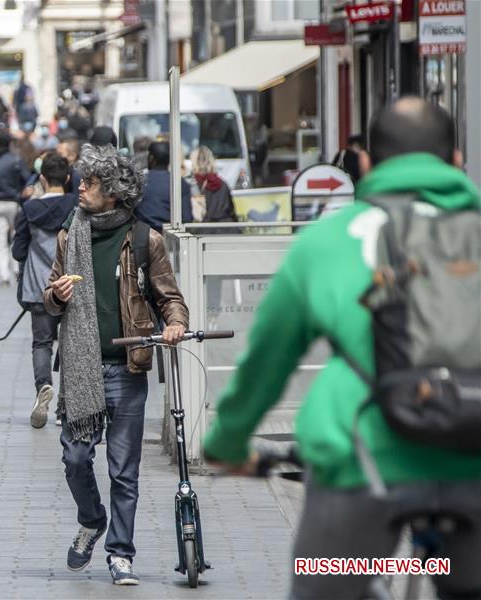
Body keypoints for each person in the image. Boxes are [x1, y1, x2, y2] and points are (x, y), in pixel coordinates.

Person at [203, 97, 481, 600]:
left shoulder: (330, 239)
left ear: (368, 164)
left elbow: (268, 358)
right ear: (458, 161)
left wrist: (228, 442)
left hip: (360, 462)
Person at [43, 144, 189, 586]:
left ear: (113, 192)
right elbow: (49, 296)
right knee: (75, 457)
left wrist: (175, 325)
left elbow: (169, 297)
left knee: (124, 471)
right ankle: (92, 519)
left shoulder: (146, 240)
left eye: (88, 182)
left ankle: (120, 553)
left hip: (126, 370)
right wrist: (57, 296)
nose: (79, 187)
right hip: (81, 369)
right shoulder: (71, 235)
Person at [12, 153, 77, 428]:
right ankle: (66, 407)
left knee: (41, 343)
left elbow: (18, 251)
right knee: (71, 344)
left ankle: (43, 386)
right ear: (68, 178)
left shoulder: (29, 209)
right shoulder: (77, 206)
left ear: (41, 178)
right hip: (72, 284)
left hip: (39, 287)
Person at [0, 130, 31, 286]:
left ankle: (4, 275)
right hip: (14, 203)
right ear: (10, 143)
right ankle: (17, 268)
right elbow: (27, 180)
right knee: (17, 237)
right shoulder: (16, 160)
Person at [135, 141, 192, 231]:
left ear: (151, 158)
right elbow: (187, 218)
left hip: (144, 236)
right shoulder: (180, 183)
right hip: (172, 236)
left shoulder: (139, 181)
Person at [189, 146, 237, 224]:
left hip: (204, 230)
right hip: (227, 229)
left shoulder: (192, 185)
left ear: (194, 162)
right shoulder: (223, 184)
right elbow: (231, 211)